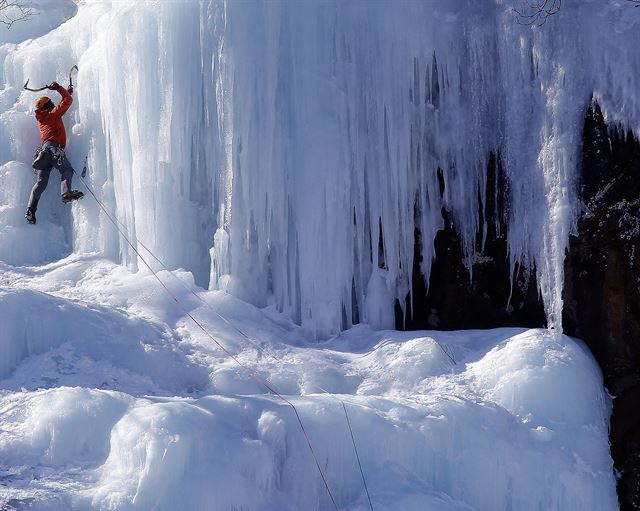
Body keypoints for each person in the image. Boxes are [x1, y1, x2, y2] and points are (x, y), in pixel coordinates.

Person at [25, 81, 83, 224]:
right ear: (48, 106)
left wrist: (66, 92)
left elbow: (60, 105)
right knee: (67, 170)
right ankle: (65, 193)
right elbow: (66, 102)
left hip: (44, 153)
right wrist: (58, 88)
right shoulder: (52, 115)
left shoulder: (43, 119)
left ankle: (30, 210)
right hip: (54, 150)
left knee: (40, 184)